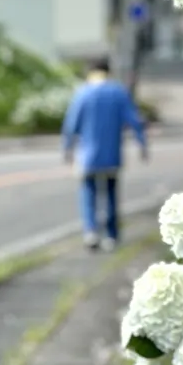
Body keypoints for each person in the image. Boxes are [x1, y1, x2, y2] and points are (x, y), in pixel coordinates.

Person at [61, 59, 147, 250]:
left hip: (88, 156)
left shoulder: (82, 93)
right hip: (111, 155)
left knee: (89, 192)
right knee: (110, 193)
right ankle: (111, 235)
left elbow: (71, 124)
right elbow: (134, 120)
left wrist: (67, 148)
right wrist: (143, 145)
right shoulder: (118, 92)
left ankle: (91, 231)